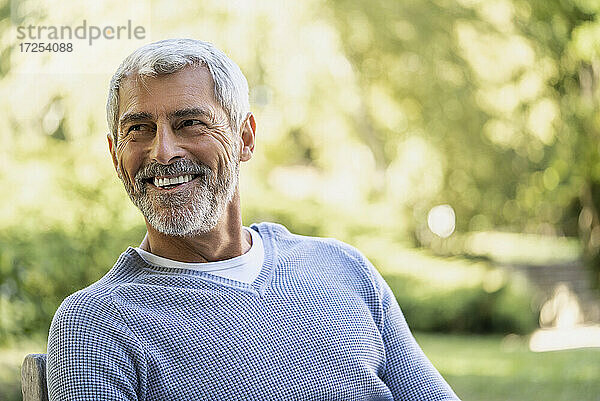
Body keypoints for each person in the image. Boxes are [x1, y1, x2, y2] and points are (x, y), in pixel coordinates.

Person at [46, 38, 461, 400]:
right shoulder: (96, 325)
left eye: (189, 123)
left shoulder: (343, 268)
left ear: (245, 138)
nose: (163, 151)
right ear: (116, 155)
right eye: (139, 129)